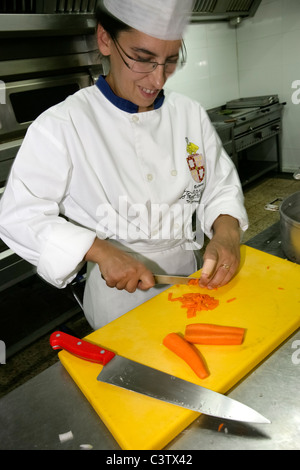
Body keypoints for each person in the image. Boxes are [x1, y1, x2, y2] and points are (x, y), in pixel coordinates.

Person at [0, 0, 248, 330]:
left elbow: (218, 187)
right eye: (143, 59)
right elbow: (18, 216)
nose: (158, 79)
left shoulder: (188, 113)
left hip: (190, 278)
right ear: (105, 39)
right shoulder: (62, 124)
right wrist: (99, 251)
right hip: (120, 300)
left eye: (170, 61)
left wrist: (227, 232)